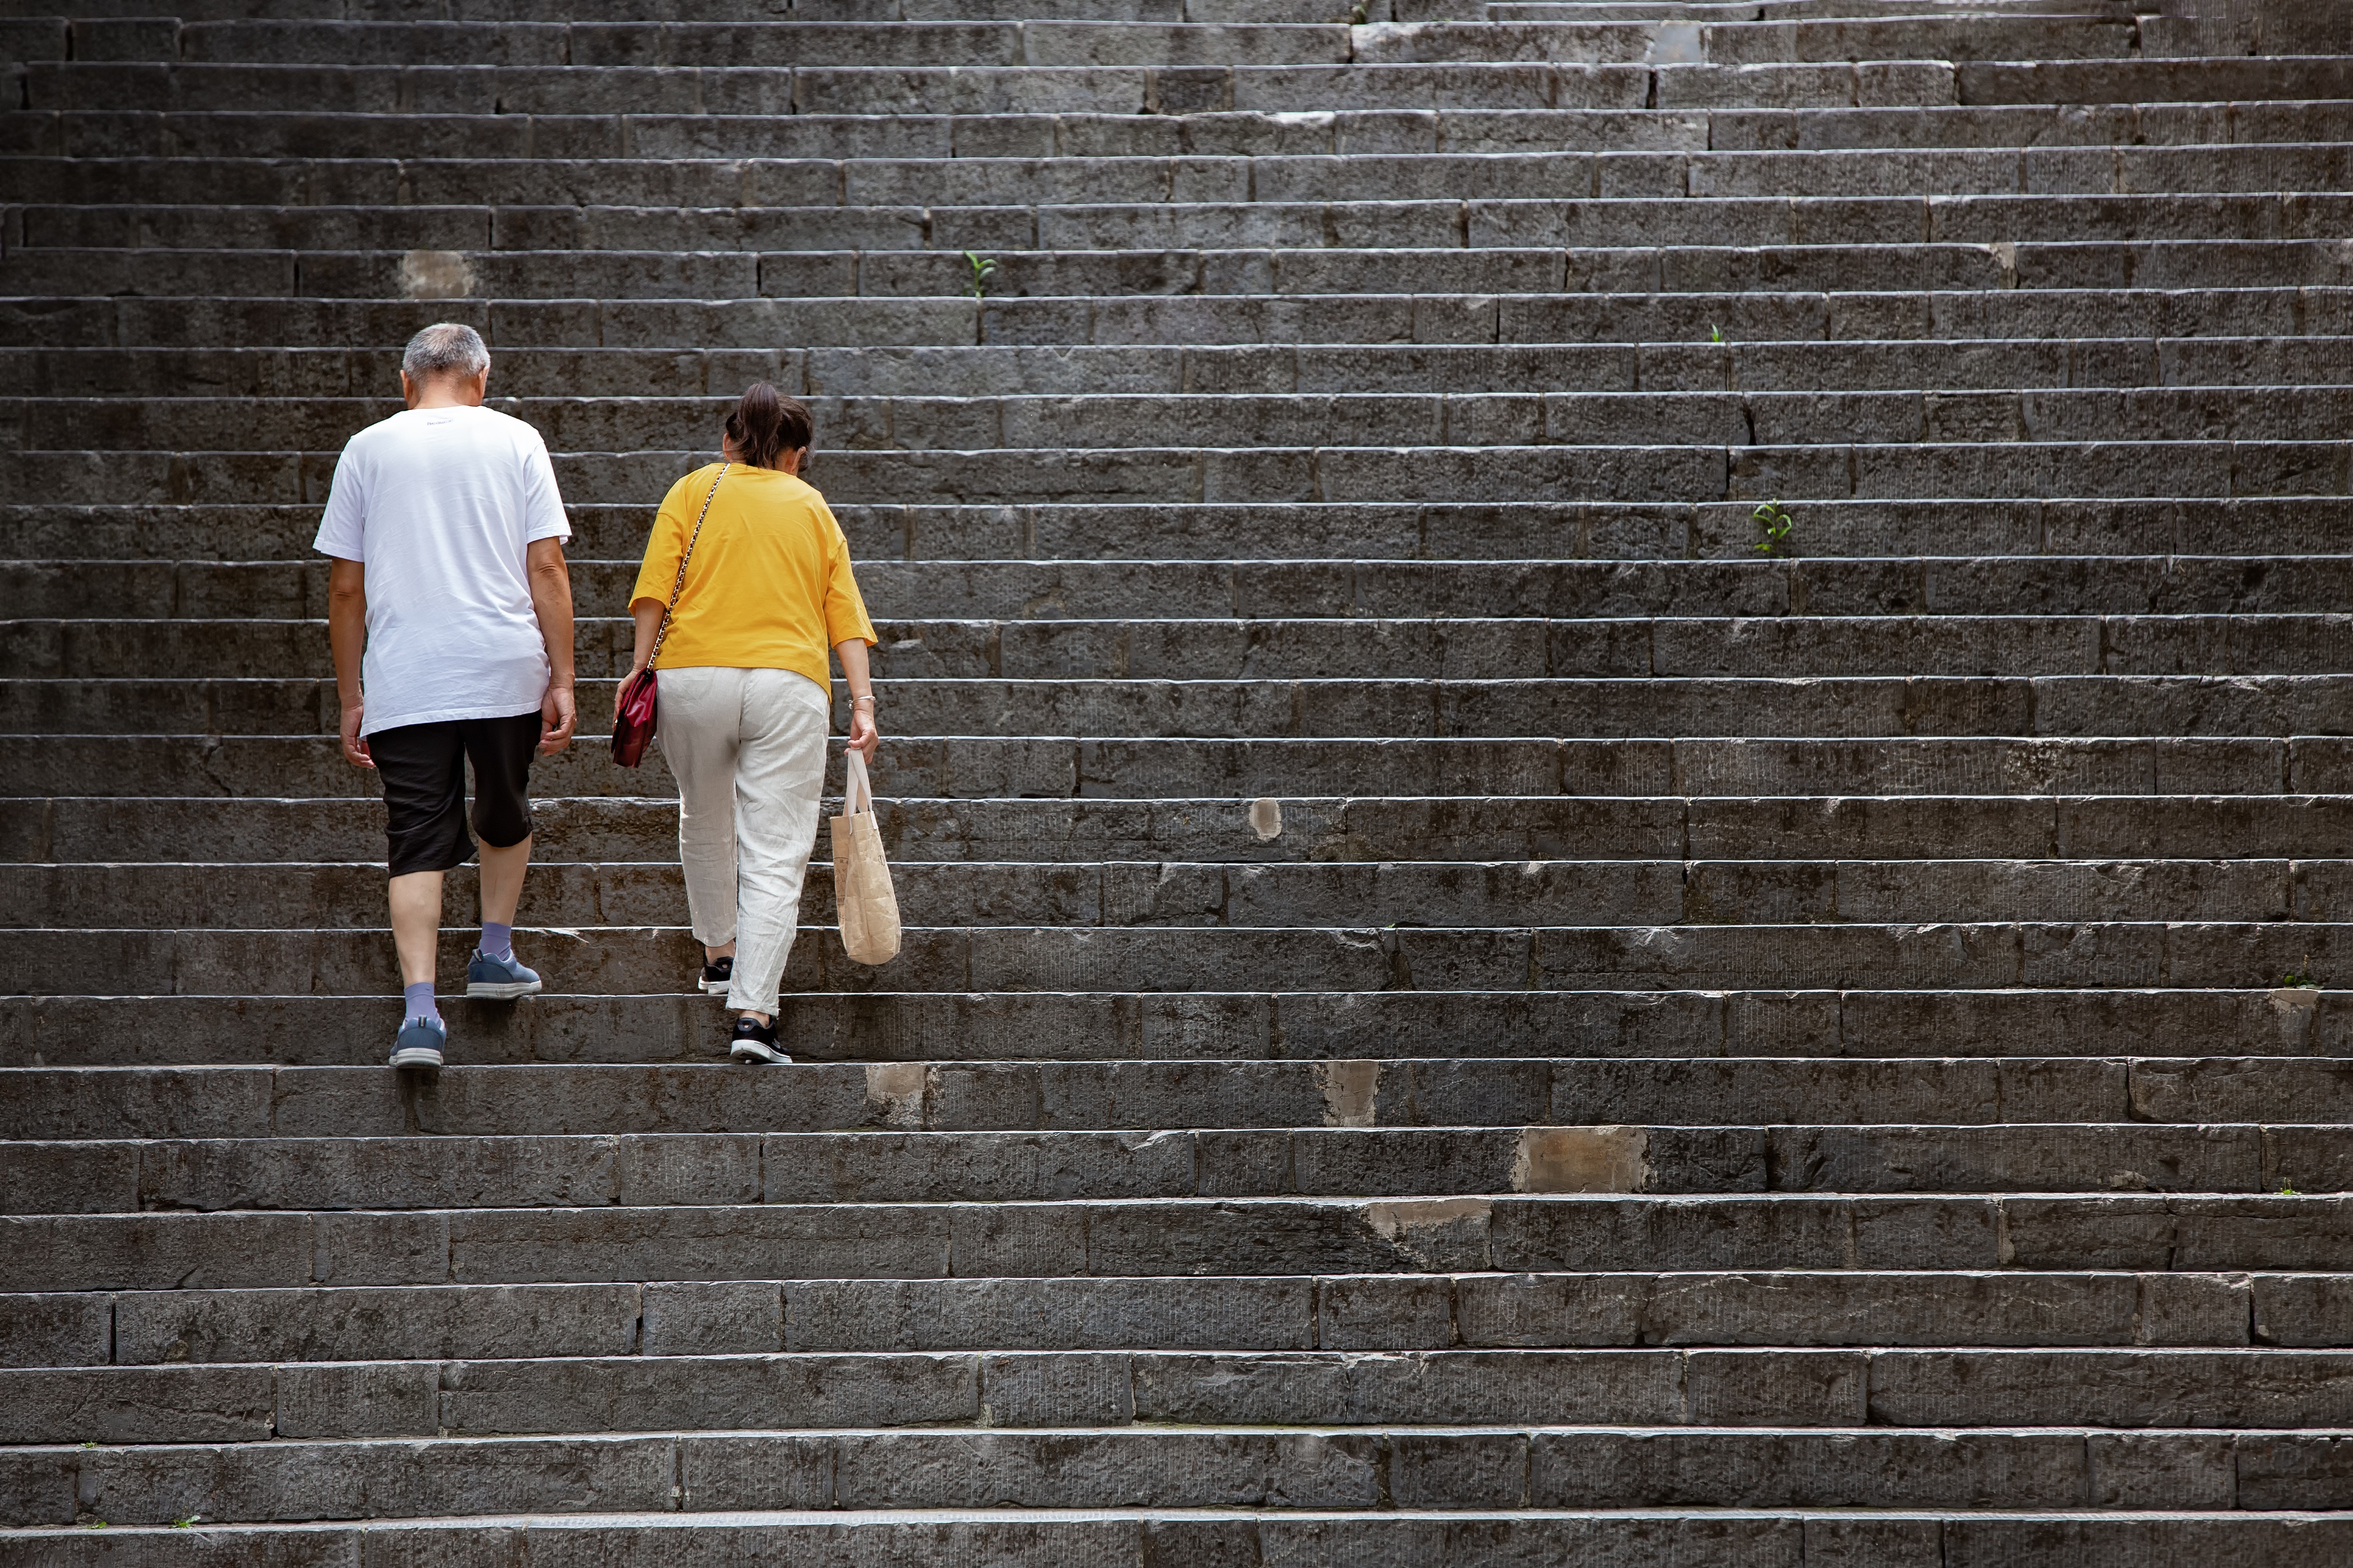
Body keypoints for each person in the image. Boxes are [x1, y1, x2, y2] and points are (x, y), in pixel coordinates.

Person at [317, 322, 577, 1071]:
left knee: (415, 839)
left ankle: (421, 1018)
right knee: (504, 803)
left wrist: (350, 695)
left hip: (405, 674)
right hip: (503, 667)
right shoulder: (517, 440)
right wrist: (562, 678)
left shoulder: (367, 449)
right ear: (481, 379)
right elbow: (548, 568)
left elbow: (344, 587)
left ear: (406, 383)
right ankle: (493, 952)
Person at [620, 383, 879, 1064]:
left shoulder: (692, 489)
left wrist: (638, 667)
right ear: (795, 457)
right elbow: (843, 613)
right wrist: (864, 703)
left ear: (727, 440)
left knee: (703, 815)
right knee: (776, 852)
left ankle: (719, 956)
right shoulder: (810, 505)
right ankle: (754, 1018)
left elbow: (653, 586)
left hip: (692, 676)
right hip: (788, 684)